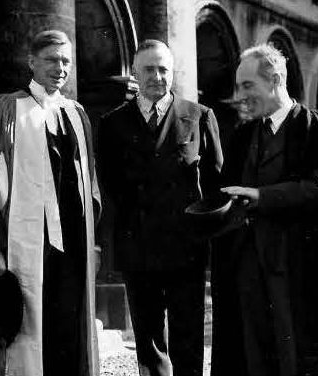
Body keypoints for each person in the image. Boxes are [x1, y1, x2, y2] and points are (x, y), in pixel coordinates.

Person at [0, 30, 101, 376]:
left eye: (65, 61)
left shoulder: (76, 115)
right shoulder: (6, 110)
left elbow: (89, 187)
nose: (59, 68)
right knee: (25, 331)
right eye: (51, 60)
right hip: (24, 247)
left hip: (72, 248)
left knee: (67, 330)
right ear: (31, 62)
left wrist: (95, 245)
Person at [210, 44, 318, 376]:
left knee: (296, 360)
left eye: (247, 85)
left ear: (276, 79)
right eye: (238, 86)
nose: (240, 96)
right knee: (251, 360)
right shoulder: (244, 134)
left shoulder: (313, 126)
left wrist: (262, 196)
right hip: (248, 270)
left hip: (296, 274)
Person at [97, 39, 223, 376]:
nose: (157, 76)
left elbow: (215, 184)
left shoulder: (198, 116)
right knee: (148, 338)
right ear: (135, 72)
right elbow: (109, 185)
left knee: (189, 333)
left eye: (163, 69)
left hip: (187, 248)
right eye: (149, 69)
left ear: (173, 73)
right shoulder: (112, 124)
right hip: (138, 246)